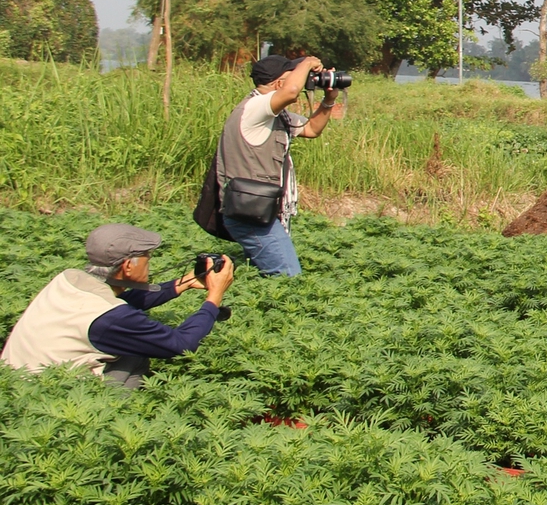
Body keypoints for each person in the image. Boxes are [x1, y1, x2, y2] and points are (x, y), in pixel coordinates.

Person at [1, 224, 233, 389]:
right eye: (147, 257)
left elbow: (118, 304)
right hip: (48, 394)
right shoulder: (110, 317)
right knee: (135, 355)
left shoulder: (68, 279)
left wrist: (184, 283)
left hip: (15, 378)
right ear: (127, 267)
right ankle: (117, 414)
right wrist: (214, 296)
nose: (149, 263)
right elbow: (180, 345)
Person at [214, 52, 343, 276]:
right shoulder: (255, 107)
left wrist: (329, 99)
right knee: (287, 276)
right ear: (279, 82)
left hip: (258, 210)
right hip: (249, 213)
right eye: (294, 74)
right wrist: (308, 62)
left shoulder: (277, 115)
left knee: (263, 274)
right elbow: (291, 92)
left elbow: (311, 129)